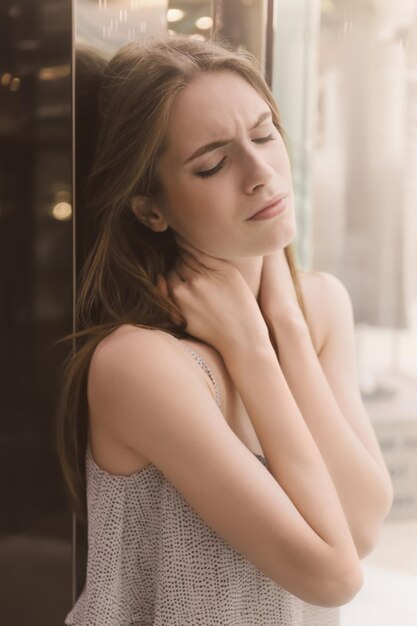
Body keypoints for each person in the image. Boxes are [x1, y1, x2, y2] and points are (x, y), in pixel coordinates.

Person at [58, 36, 394, 626]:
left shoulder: (317, 307)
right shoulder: (141, 362)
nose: (262, 173)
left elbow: (362, 525)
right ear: (149, 209)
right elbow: (333, 574)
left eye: (265, 135)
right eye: (213, 163)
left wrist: (283, 325)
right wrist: (251, 350)